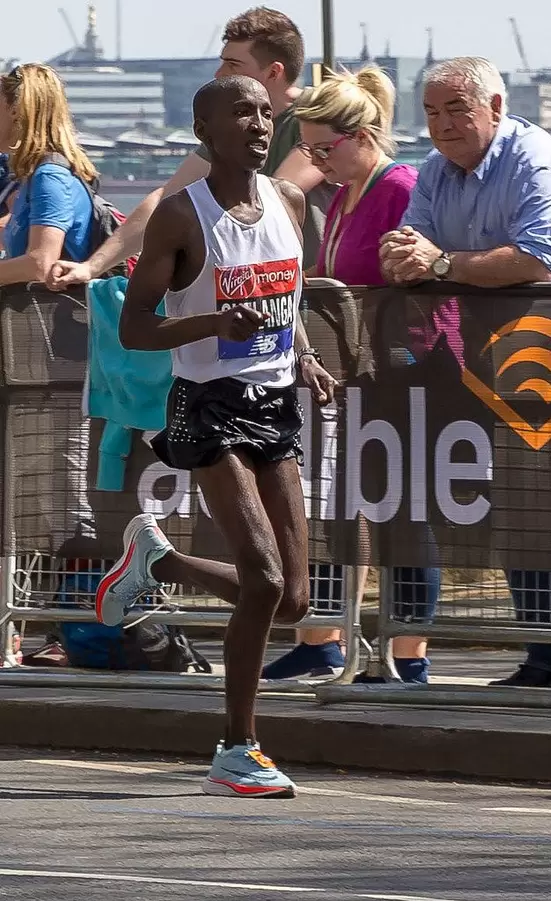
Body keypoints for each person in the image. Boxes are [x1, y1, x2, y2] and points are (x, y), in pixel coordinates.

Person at [94, 75, 336, 797]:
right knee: (262, 578)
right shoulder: (182, 215)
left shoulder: (290, 202)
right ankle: (237, 748)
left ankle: (158, 561)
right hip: (207, 403)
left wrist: (305, 355)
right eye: (241, 112)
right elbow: (136, 327)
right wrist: (211, 323)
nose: (259, 124)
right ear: (205, 129)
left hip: (274, 404)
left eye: (264, 111)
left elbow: (285, 298)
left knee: (292, 600)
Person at [379, 56, 551, 689]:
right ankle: (546, 650)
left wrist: (440, 263)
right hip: (497, 354)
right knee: (521, 505)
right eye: (431, 112)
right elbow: (408, 251)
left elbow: (537, 259)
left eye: (457, 110)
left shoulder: (535, 160)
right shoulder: (432, 170)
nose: (442, 125)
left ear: (495, 108)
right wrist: (408, 259)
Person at [261, 66, 441, 684]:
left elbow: (408, 276)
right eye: (307, 150)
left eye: (323, 149)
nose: (315, 162)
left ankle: (406, 653)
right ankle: (324, 639)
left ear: (362, 136)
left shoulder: (398, 186)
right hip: (356, 375)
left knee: (405, 511)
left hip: (405, 369)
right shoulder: (344, 193)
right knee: (346, 506)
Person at [47, 6, 333, 291]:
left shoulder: (317, 116)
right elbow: (166, 197)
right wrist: (91, 267)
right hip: (255, 290)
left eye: (233, 65)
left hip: (311, 296)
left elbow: (272, 194)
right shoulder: (230, 129)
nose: (219, 73)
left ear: (273, 72)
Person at [0, 64, 95, 284]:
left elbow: (39, 265)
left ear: (15, 110)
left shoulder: (50, 176)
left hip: (53, 307)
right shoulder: (34, 175)